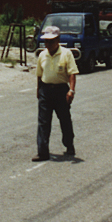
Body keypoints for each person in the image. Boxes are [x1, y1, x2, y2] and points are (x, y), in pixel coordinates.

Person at [33, 26, 79, 161]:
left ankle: (69, 144)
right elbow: (39, 75)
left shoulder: (66, 53)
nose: (48, 44)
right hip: (45, 91)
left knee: (64, 119)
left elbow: (72, 73)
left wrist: (71, 90)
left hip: (61, 91)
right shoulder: (42, 54)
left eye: (51, 41)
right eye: (46, 41)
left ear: (58, 40)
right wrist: (38, 90)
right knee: (43, 122)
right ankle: (42, 152)